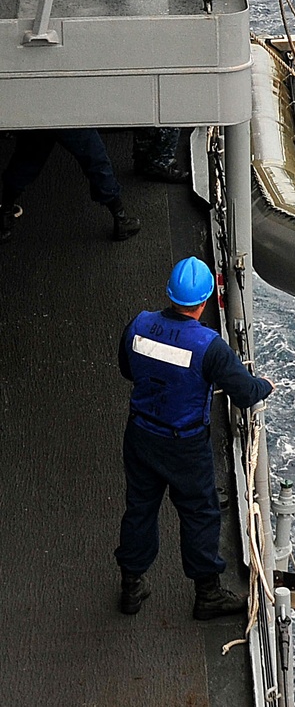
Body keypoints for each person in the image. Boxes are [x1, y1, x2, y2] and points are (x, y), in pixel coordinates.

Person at [115, 256, 273, 618]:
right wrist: (266, 385)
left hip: (140, 435)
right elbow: (246, 392)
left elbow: (128, 370)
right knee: (200, 514)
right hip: (184, 445)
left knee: (140, 509)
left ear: (171, 295)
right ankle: (207, 594)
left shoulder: (138, 325)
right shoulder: (209, 346)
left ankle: (131, 587)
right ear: (205, 301)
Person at [0, 128, 140, 241]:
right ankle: (120, 218)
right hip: (66, 108)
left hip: (38, 107)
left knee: (24, 162)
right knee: (95, 160)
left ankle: (5, 217)